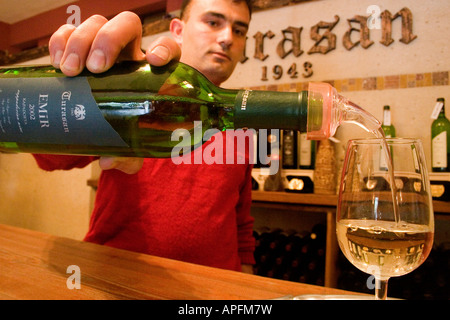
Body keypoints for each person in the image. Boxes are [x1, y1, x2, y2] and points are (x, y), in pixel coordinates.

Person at [33, 0, 255, 273]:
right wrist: (82, 85)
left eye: (240, 30)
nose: (227, 38)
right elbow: (49, 158)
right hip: (117, 280)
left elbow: (241, 224)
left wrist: (246, 288)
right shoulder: (134, 93)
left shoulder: (242, 125)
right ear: (177, 29)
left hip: (215, 290)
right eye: (213, 22)